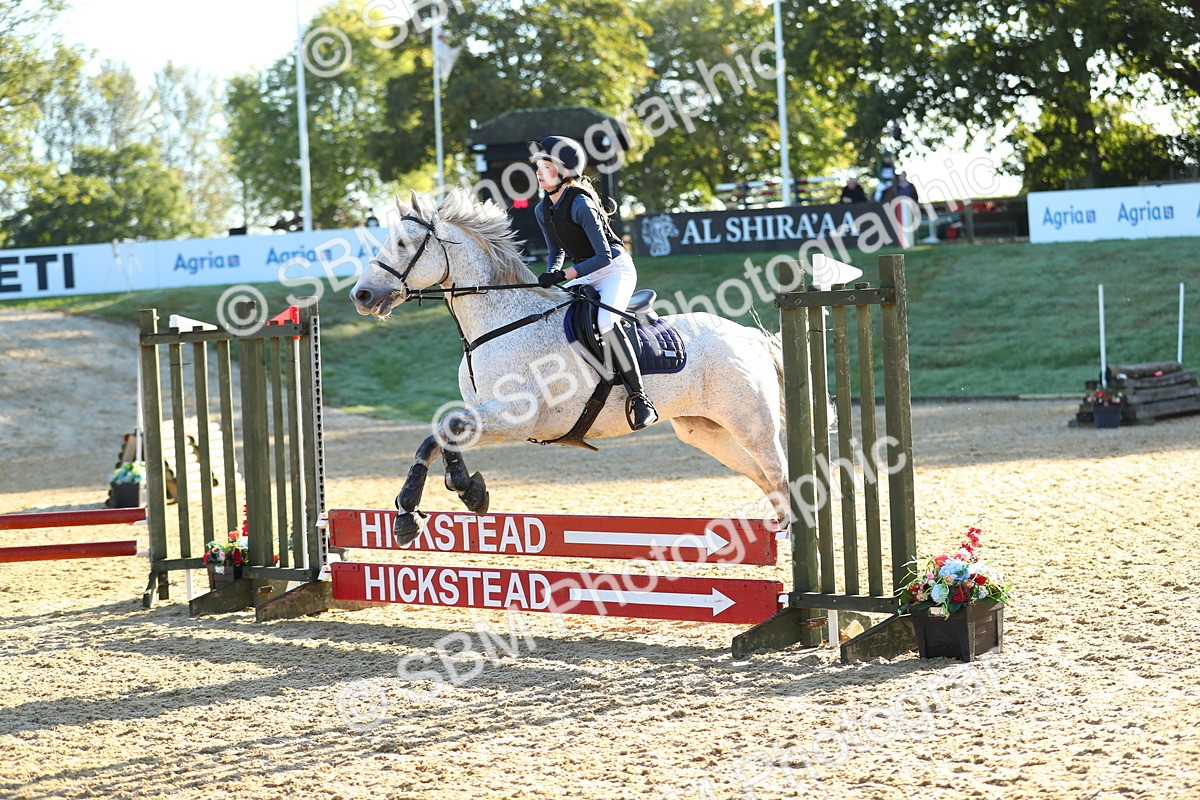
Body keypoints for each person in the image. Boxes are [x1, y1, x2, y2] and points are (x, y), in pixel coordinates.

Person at [530, 134, 658, 430]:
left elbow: (603, 257)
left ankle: (640, 399)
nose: (538, 171)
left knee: (605, 324)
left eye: (546, 165)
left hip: (615, 269)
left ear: (564, 171)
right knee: (554, 316)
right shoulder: (541, 209)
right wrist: (552, 273)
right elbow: (556, 251)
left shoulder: (581, 204)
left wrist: (564, 275)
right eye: (538, 165)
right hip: (585, 272)